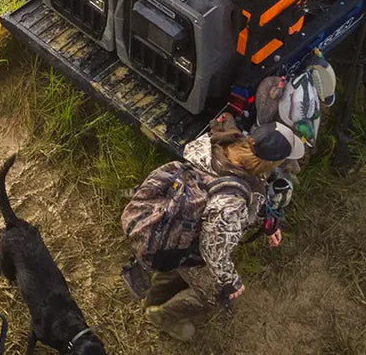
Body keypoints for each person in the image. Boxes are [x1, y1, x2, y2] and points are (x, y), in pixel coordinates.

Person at [121, 116, 303, 341]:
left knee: (178, 267)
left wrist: (267, 224)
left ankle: (153, 297)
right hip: (192, 246)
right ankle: (162, 317)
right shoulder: (232, 201)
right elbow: (213, 251)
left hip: (172, 231)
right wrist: (231, 282)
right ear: (268, 164)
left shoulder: (215, 145)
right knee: (215, 292)